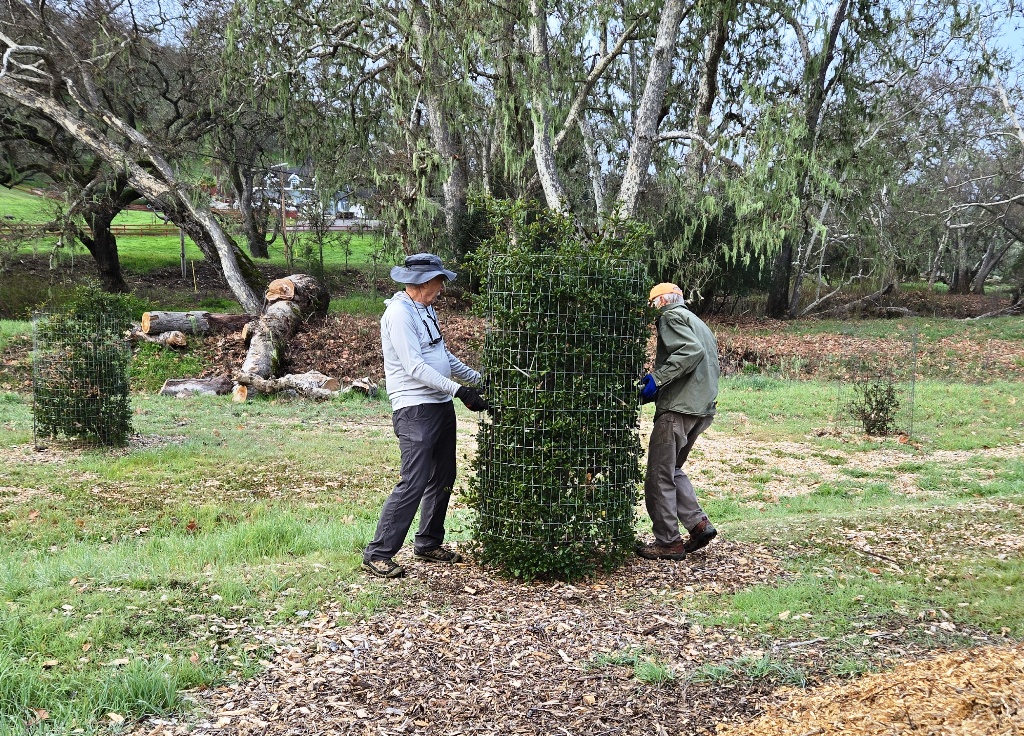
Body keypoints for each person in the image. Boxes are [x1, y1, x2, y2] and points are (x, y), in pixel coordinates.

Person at [362, 253, 489, 578]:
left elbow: (440, 354)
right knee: (414, 481)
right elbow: (414, 367)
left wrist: (478, 379)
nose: (441, 289)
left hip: (439, 405)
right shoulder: (399, 314)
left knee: (443, 477)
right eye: (438, 282)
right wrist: (459, 391)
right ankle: (378, 553)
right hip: (414, 408)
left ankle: (428, 542)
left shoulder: (426, 309)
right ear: (421, 282)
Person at [636, 282, 720, 561]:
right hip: (701, 410)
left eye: (651, 306)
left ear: (659, 302)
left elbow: (689, 352)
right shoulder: (697, 321)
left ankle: (668, 542)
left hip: (678, 410)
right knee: (672, 470)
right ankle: (699, 525)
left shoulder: (669, 316)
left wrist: (657, 380)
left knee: (658, 476)